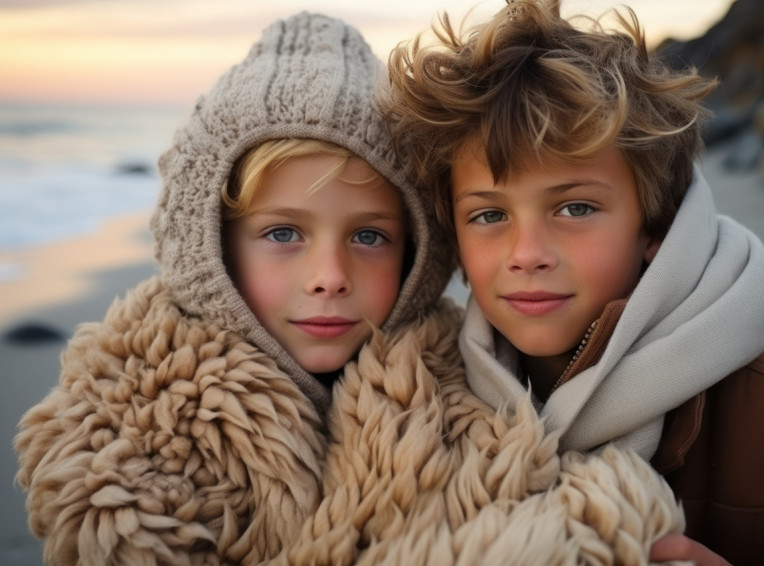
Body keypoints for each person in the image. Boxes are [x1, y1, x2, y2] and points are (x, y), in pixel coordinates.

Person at [383, 0, 764, 564]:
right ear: (454, 242)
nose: (527, 255)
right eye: (489, 216)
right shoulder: (415, 415)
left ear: (656, 224)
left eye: (575, 208)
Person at [14, 12, 453, 565]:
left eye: (369, 235)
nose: (330, 276)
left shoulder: (470, 400)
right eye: (283, 232)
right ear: (212, 246)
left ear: (417, 248)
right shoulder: (121, 446)